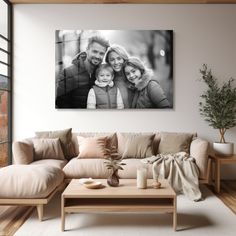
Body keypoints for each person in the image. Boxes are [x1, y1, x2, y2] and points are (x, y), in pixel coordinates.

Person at [56, 35, 110, 108]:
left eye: (101, 53)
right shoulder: (68, 73)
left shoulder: (105, 75)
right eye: (95, 51)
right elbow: (61, 103)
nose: (97, 56)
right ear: (87, 50)